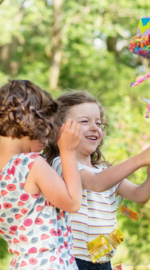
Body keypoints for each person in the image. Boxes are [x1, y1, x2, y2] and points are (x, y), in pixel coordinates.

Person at [43, 91, 150, 270]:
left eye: (98, 123)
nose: (95, 127)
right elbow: (95, 183)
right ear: (60, 130)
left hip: (103, 262)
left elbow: (139, 195)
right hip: (72, 260)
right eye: (85, 121)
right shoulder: (62, 163)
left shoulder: (104, 171)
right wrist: (140, 159)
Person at [0, 80, 83, 269]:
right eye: (49, 128)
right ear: (36, 122)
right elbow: (72, 201)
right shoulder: (30, 163)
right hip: (50, 262)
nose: (49, 138)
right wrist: (68, 151)